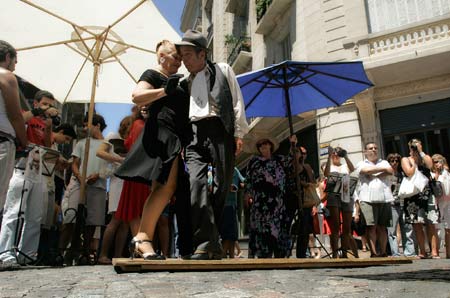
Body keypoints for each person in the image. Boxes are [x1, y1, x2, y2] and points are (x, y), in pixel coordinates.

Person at [175, 29, 249, 260]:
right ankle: (205, 242)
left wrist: (238, 133)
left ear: (202, 53)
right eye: (182, 55)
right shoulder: (183, 82)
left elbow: (237, 101)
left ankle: (212, 241)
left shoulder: (223, 70)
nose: (183, 60)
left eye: (187, 55)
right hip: (195, 134)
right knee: (195, 185)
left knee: (222, 186)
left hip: (220, 130)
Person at [115, 40, 191, 260]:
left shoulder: (176, 81)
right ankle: (142, 237)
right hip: (161, 135)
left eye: (180, 57)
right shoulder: (154, 74)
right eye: (174, 56)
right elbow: (137, 96)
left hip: (173, 137)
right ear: (161, 57)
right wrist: (164, 91)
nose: (178, 60)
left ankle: (142, 237)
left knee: (165, 188)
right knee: (165, 187)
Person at [59, 114, 107, 264]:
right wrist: (81, 177)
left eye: (88, 125)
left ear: (97, 125)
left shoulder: (107, 144)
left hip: (98, 185)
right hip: (79, 184)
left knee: (92, 222)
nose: (85, 128)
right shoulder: (81, 143)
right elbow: (74, 163)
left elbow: (110, 167)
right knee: (71, 217)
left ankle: (84, 253)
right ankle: (61, 253)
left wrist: (98, 175)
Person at [245, 136, 293, 258]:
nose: (263, 146)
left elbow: (292, 161)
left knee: (277, 228)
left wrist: (293, 144)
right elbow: (248, 179)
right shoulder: (254, 161)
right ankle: (261, 254)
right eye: (261, 145)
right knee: (261, 229)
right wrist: (247, 193)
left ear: (271, 145)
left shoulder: (279, 160)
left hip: (277, 202)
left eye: (266, 144)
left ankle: (279, 254)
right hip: (260, 202)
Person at [95, 116, 131, 265]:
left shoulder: (134, 139)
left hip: (130, 180)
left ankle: (117, 255)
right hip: (117, 180)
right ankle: (103, 255)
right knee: (115, 218)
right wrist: (120, 160)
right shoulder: (112, 136)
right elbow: (100, 152)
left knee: (126, 222)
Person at [0, 40, 27, 216]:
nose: (15, 66)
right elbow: (16, 116)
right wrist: (25, 142)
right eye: (15, 61)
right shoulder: (6, 76)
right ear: (8, 57)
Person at [402, 139, 439, 259]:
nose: (414, 147)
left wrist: (421, 152)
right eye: (412, 145)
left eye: (417, 144)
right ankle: (422, 251)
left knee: (431, 224)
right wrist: (415, 162)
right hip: (413, 196)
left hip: (427, 194)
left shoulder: (425, 157)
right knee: (417, 224)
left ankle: (434, 251)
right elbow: (409, 172)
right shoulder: (406, 159)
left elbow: (431, 166)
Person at [355, 142, 393, 257]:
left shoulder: (384, 162)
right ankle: (374, 252)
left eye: (376, 148)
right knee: (371, 226)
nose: (374, 150)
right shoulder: (361, 163)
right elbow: (365, 171)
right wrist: (382, 170)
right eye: (371, 148)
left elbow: (391, 171)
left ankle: (383, 251)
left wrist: (373, 172)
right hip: (367, 198)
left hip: (385, 197)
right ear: (365, 151)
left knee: (382, 227)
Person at [324, 146, 358, 258]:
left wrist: (346, 156)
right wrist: (329, 156)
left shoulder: (344, 166)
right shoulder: (329, 164)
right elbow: (326, 173)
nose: (336, 155)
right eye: (334, 153)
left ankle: (344, 252)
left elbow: (352, 169)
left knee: (347, 226)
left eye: (338, 154)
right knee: (335, 225)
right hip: (333, 195)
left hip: (345, 194)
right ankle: (335, 254)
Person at [386, 153, 416, 257]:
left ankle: (410, 252)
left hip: (404, 202)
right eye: (392, 161)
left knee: (407, 228)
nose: (394, 163)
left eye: (396, 161)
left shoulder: (402, 174)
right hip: (391, 204)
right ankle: (395, 253)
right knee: (392, 230)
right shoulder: (386, 175)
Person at [292, 145, 319, 258]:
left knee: (305, 228)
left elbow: (312, 182)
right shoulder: (292, 166)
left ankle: (302, 253)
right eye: (300, 153)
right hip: (293, 200)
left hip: (306, 201)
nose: (303, 155)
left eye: (304, 153)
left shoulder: (307, 167)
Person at [220, 167, 245, 258]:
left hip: (232, 205)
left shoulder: (235, 170)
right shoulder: (219, 169)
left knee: (232, 235)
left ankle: (230, 257)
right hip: (224, 205)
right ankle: (224, 256)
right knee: (228, 234)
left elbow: (242, 182)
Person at [431, 154, 450, 258]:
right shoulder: (433, 173)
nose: (438, 164)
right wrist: (437, 172)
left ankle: (448, 253)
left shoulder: (447, 172)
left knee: (448, 227)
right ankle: (435, 251)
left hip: (448, 202)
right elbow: (435, 185)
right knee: (437, 227)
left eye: (439, 161)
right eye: (435, 162)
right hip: (438, 202)